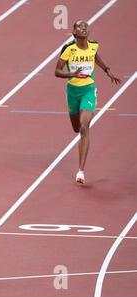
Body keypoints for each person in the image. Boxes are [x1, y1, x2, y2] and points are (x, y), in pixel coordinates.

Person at [55, 20, 120, 185]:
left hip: (89, 91)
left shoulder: (93, 45)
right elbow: (57, 71)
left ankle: (81, 171)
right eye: (80, 26)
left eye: (86, 26)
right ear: (74, 32)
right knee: (76, 128)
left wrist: (107, 70)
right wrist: (72, 75)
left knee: (84, 128)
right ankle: (81, 163)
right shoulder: (69, 49)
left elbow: (95, 56)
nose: (84, 28)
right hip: (72, 92)